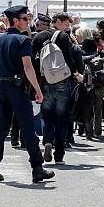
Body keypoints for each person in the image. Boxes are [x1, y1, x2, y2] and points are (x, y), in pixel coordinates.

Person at [0, 5, 54, 183]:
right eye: (25, 19)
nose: (27, 21)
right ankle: (37, 168)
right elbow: (28, 66)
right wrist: (38, 90)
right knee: (28, 129)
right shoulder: (23, 40)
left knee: (1, 130)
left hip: (4, 87)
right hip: (17, 88)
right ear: (15, 21)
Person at [32, 12, 80, 164]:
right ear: (57, 21)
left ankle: (47, 142)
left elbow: (33, 61)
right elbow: (68, 58)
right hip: (62, 81)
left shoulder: (38, 37)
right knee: (62, 118)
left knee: (47, 116)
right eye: (65, 24)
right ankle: (59, 153)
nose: (67, 28)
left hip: (45, 81)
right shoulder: (63, 37)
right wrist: (75, 73)